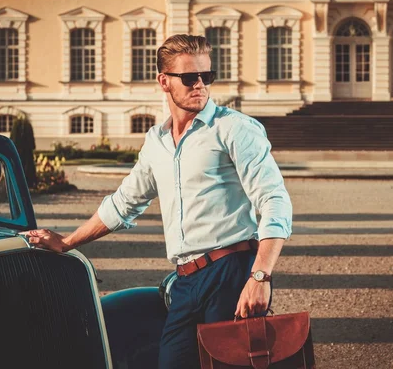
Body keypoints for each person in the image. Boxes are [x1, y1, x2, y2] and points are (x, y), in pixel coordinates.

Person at [24, 34, 292, 368]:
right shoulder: (157, 142)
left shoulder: (234, 129)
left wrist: (260, 277)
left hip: (231, 273)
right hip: (184, 281)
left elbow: (274, 199)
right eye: (190, 77)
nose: (200, 86)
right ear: (164, 81)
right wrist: (66, 242)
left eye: (206, 77)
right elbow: (125, 202)